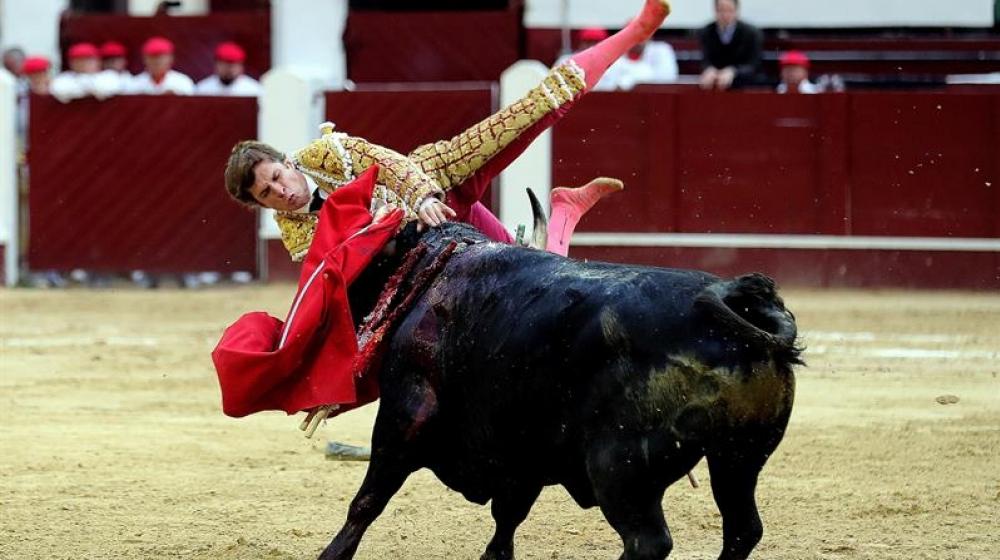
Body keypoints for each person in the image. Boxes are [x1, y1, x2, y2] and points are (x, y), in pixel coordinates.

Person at [226, 0, 673, 263]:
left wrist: (421, 197)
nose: (280, 192)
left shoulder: (323, 153)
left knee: (536, 107)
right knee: (536, 273)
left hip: (441, 176)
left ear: (286, 161)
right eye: (266, 194)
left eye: (276, 178)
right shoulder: (295, 233)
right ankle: (564, 211)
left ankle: (634, 31)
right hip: (429, 246)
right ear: (258, 205)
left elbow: (387, 161)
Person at [698, 0, 762, 91]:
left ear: (736, 11)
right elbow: (704, 60)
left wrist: (734, 71)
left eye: (729, 10)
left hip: (744, 86)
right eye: (721, 10)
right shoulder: (706, 32)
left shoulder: (751, 33)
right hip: (714, 84)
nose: (725, 15)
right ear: (715, 11)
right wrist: (708, 69)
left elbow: (754, 65)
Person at [50, 42, 123, 103]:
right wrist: (88, 89)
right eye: (78, 61)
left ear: (98, 61)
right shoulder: (64, 78)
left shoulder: (108, 76)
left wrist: (78, 89)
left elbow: (103, 89)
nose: (83, 64)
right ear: (71, 63)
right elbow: (60, 91)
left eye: (88, 60)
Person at [127, 36, 194, 95]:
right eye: (153, 57)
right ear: (144, 59)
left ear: (171, 58)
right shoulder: (134, 84)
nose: (157, 62)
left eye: (161, 57)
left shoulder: (183, 82)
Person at [195, 42, 260, 97]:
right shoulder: (203, 89)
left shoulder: (253, 90)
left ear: (241, 66)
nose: (229, 70)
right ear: (216, 65)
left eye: (233, 65)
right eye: (225, 65)